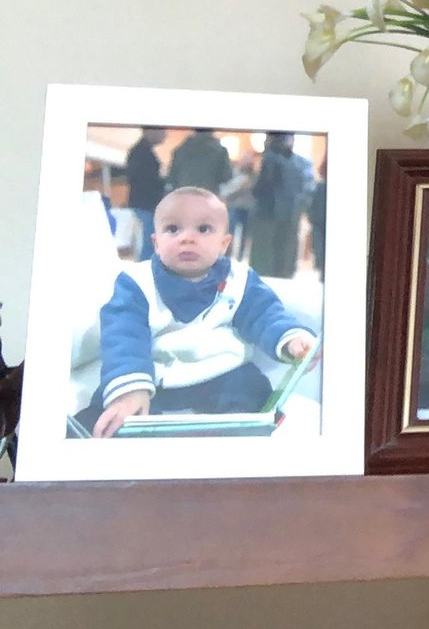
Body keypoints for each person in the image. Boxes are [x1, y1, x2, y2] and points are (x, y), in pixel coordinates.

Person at [84, 186, 316, 439]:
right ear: (156, 242)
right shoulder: (137, 282)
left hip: (223, 372)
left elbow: (265, 314)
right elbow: (123, 336)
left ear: (224, 244)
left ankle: (234, 440)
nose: (187, 238)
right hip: (158, 376)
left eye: (203, 229)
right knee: (110, 415)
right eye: (173, 229)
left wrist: (291, 339)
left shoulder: (239, 279)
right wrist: (130, 391)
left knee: (252, 390)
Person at [248, 132, 310, 278]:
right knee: (285, 254)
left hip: (267, 214)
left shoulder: (270, 158)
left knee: (264, 257)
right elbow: (304, 191)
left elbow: (262, 187)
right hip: (290, 215)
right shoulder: (300, 163)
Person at [124, 127, 168, 261]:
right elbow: (145, 180)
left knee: (147, 246)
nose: (164, 134)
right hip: (144, 205)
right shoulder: (142, 153)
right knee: (146, 247)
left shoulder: (140, 151)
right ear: (150, 131)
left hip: (143, 205)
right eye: (161, 130)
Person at [165, 127, 232, 195]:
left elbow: (171, 179)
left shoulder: (180, 150)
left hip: (184, 198)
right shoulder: (220, 151)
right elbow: (227, 177)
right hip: (208, 198)